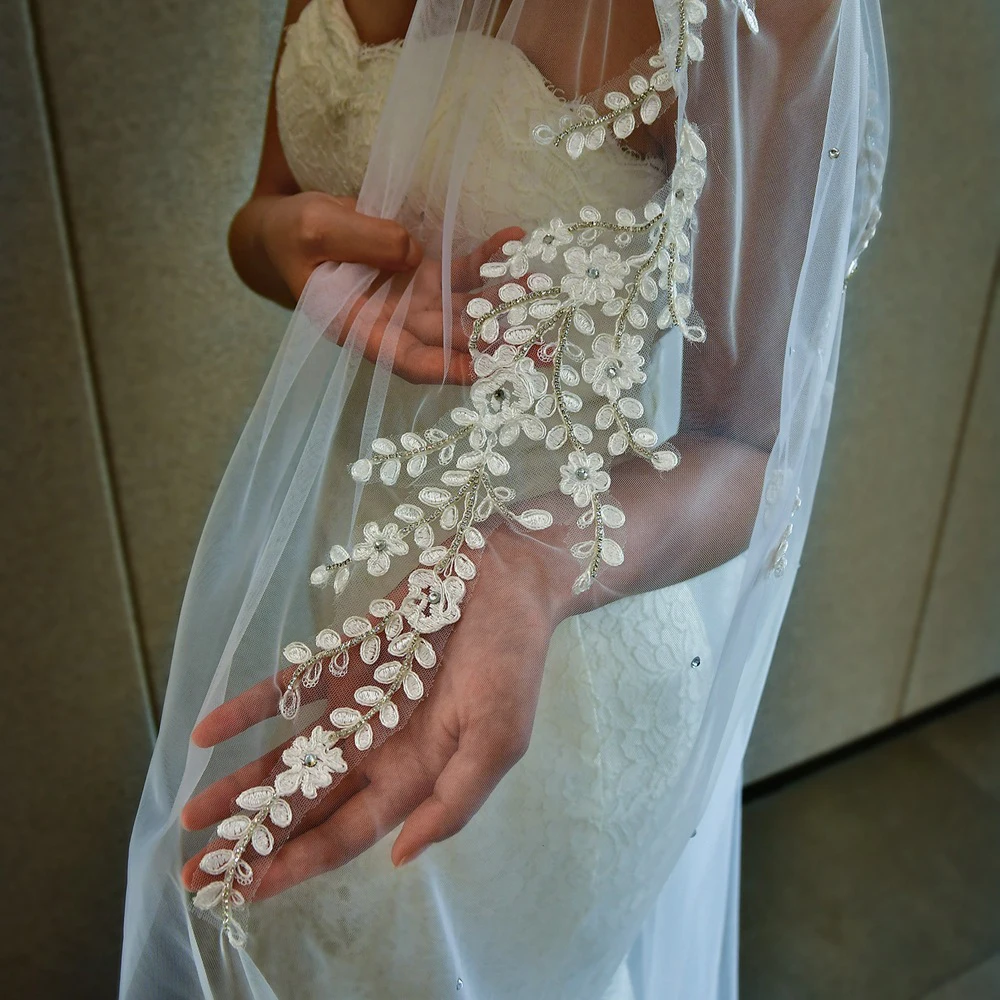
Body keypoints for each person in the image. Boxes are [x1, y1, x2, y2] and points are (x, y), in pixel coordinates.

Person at [119, 2, 889, 997]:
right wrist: (280, 240)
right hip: (345, 587)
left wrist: (526, 564)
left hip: (555, 635)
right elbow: (264, 210)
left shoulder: (763, 14)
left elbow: (746, 445)